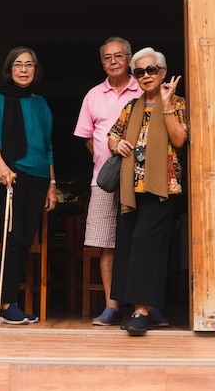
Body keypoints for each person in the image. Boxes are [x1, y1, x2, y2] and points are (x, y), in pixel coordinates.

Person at [108, 47, 188, 335]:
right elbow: (112, 135)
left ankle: (142, 311)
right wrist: (116, 145)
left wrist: (166, 104)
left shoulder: (176, 103)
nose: (145, 76)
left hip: (161, 186)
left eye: (151, 70)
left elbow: (179, 140)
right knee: (131, 245)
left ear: (163, 72)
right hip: (131, 188)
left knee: (146, 243)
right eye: (139, 72)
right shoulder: (131, 106)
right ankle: (144, 309)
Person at [0, 46, 57, 325]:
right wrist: (1, 166)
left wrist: (51, 184)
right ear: (8, 69)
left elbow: (48, 146)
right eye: (17, 64)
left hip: (38, 177)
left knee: (25, 241)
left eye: (29, 65)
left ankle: (12, 302)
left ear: (35, 71)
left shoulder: (41, 104)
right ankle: (5, 304)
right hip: (9, 175)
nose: (23, 69)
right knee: (12, 239)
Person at [74, 36, 143, 325]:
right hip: (103, 180)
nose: (113, 61)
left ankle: (144, 304)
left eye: (118, 56)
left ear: (129, 59)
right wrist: (108, 161)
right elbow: (88, 137)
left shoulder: (143, 89)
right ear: (102, 62)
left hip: (140, 180)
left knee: (141, 241)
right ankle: (111, 306)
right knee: (106, 244)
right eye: (107, 57)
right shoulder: (93, 95)